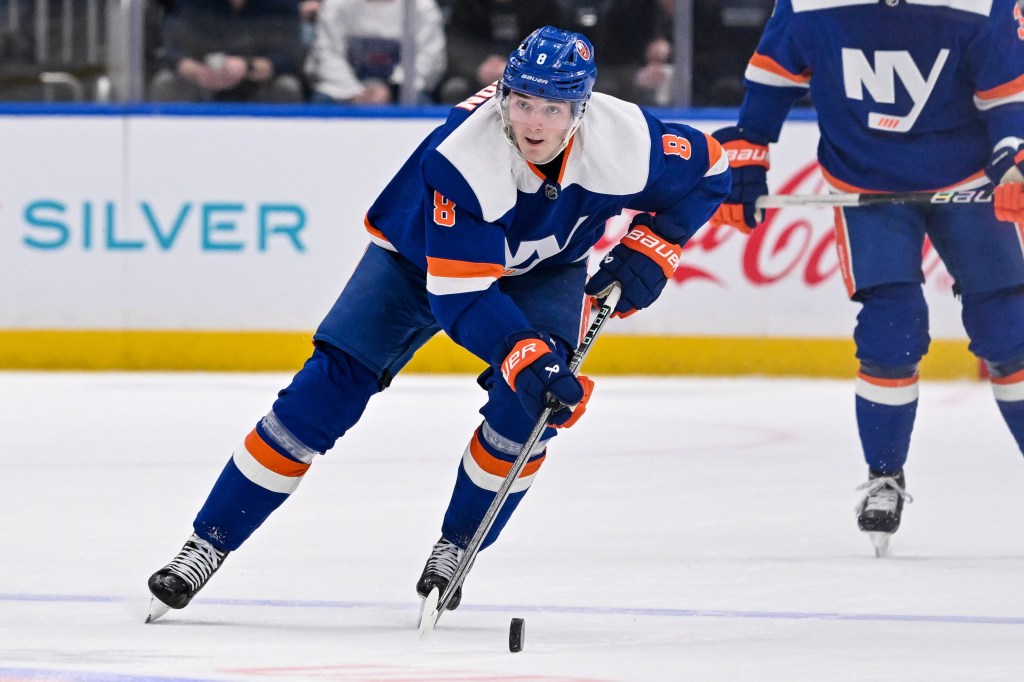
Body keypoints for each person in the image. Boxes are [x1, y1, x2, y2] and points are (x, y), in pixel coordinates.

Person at [145, 25, 730, 622]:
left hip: (544, 268)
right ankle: (207, 544)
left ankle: (457, 546)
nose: (533, 123)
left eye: (552, 109)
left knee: (530, 408)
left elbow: (713, 171)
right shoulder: (461, 158)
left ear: (581, 108)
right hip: (417, 262)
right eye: (522, 101)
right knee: (323, 392)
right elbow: (464, 298)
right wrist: (525, 355)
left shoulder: (626, 140)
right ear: (503, 93)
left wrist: (656, 245)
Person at [708, 0, 1024, 556]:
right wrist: (748, 154)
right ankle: (885, 477)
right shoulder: (808, 4)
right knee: (891, 330)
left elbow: (1008, 92)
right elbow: (773, 73)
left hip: (969, 178)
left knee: (1009, 331)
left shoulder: (982, 4)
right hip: (864, 181)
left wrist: (1013, 158)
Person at [148, 0, 305, 103]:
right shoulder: (193, 4)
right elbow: (174, 51)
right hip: (204, 80)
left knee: (287, 87)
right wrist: (197, 71)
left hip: (258, 84)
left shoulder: (280, 4)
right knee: (165, 84)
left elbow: (290, 55)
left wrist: (247, 66)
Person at [304, 0, 446, 105]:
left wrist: (391, 90)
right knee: (320, 104)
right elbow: (328, 55)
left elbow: (427, 57)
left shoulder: (421, 7)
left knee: (422, 106)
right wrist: (355, 92)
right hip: (342, 91)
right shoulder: (335, 5)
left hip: (400, 92)